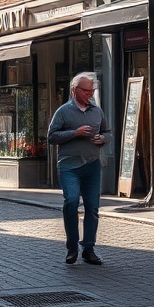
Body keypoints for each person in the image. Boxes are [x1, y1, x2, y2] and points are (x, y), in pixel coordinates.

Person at [47, 71, 111, 266]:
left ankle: (89, 249)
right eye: (86, 91)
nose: (90, 94)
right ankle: (72, 247)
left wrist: (103, 139)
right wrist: (75, 133)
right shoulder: (63, 111)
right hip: (69, 165)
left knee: (92, 208)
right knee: (72, 202)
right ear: (74, 90)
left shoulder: (96, 111)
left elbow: (107, 132)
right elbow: (51, 136)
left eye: (92, 91)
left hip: (92, 165)